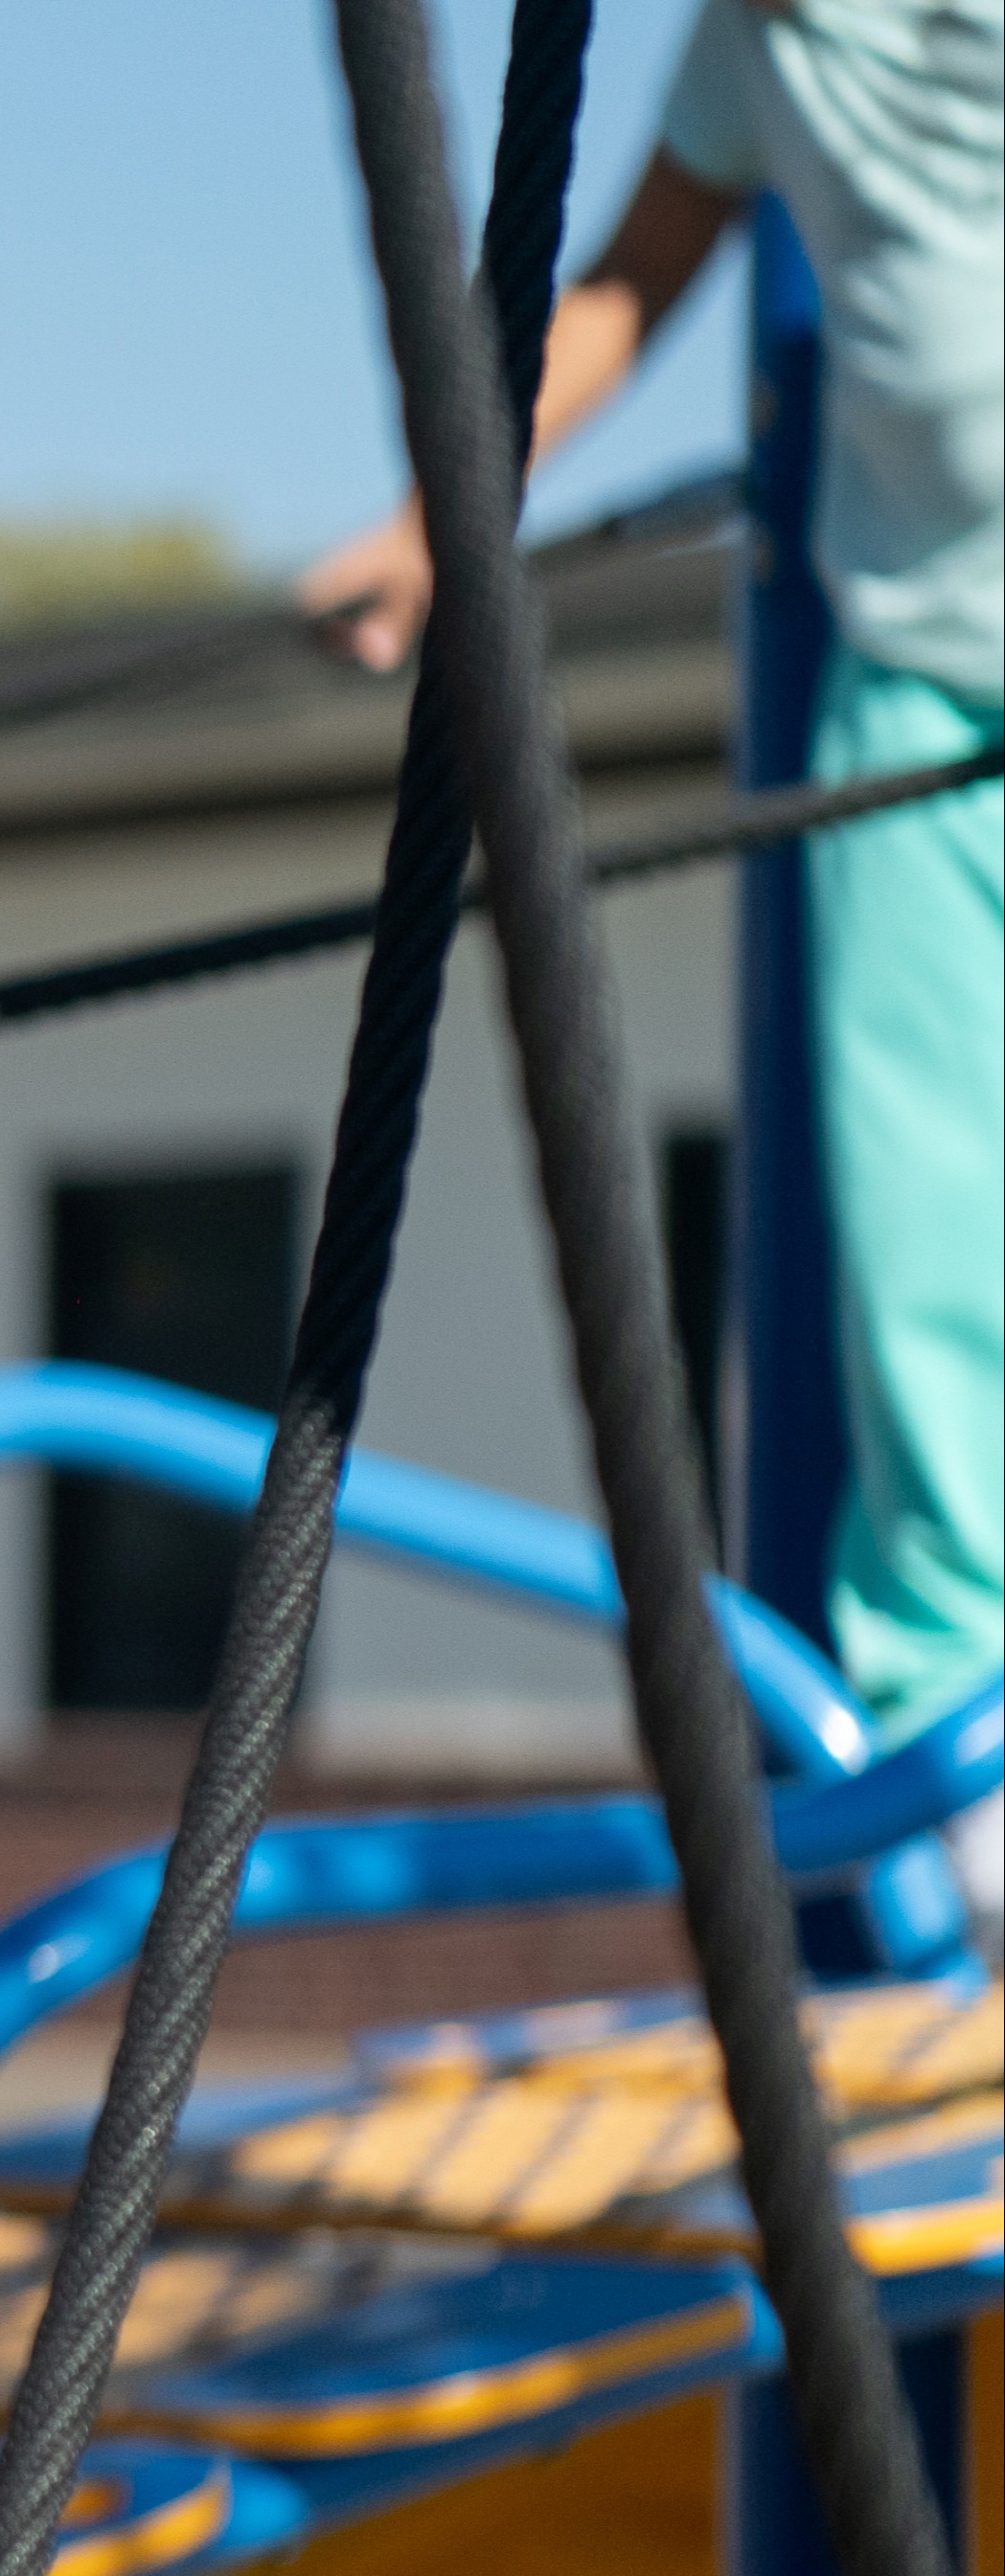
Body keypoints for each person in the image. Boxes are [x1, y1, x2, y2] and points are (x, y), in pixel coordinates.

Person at [304, 0, 996, 1923]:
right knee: (924, 1244)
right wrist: (435, 519)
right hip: (922, 705)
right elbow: (616, 281)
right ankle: (967, 1769)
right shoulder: (760, 42)